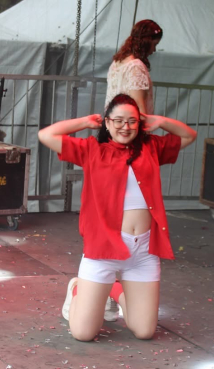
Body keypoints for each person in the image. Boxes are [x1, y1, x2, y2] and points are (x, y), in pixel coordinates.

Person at [38, 93, 196, 341]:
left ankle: (114, 291)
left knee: (144, 331)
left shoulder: (151, 147)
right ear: (108, 123)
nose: (126, 127)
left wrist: (160, 120)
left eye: (132, 121)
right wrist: (85, 122)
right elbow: (46, 135)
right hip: (103, 250)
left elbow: (189, 135)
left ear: (140, 124)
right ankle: (78, 288)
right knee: (83, 333)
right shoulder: (92, 149)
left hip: (143, 251)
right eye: (119, 120)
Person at [104, 19, 163, 114]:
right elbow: (139, 107)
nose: (154, 49)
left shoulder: (116, 63)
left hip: (115, 118)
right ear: (146, 42)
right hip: (129, 120)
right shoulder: (135, 66)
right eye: (154, 44)